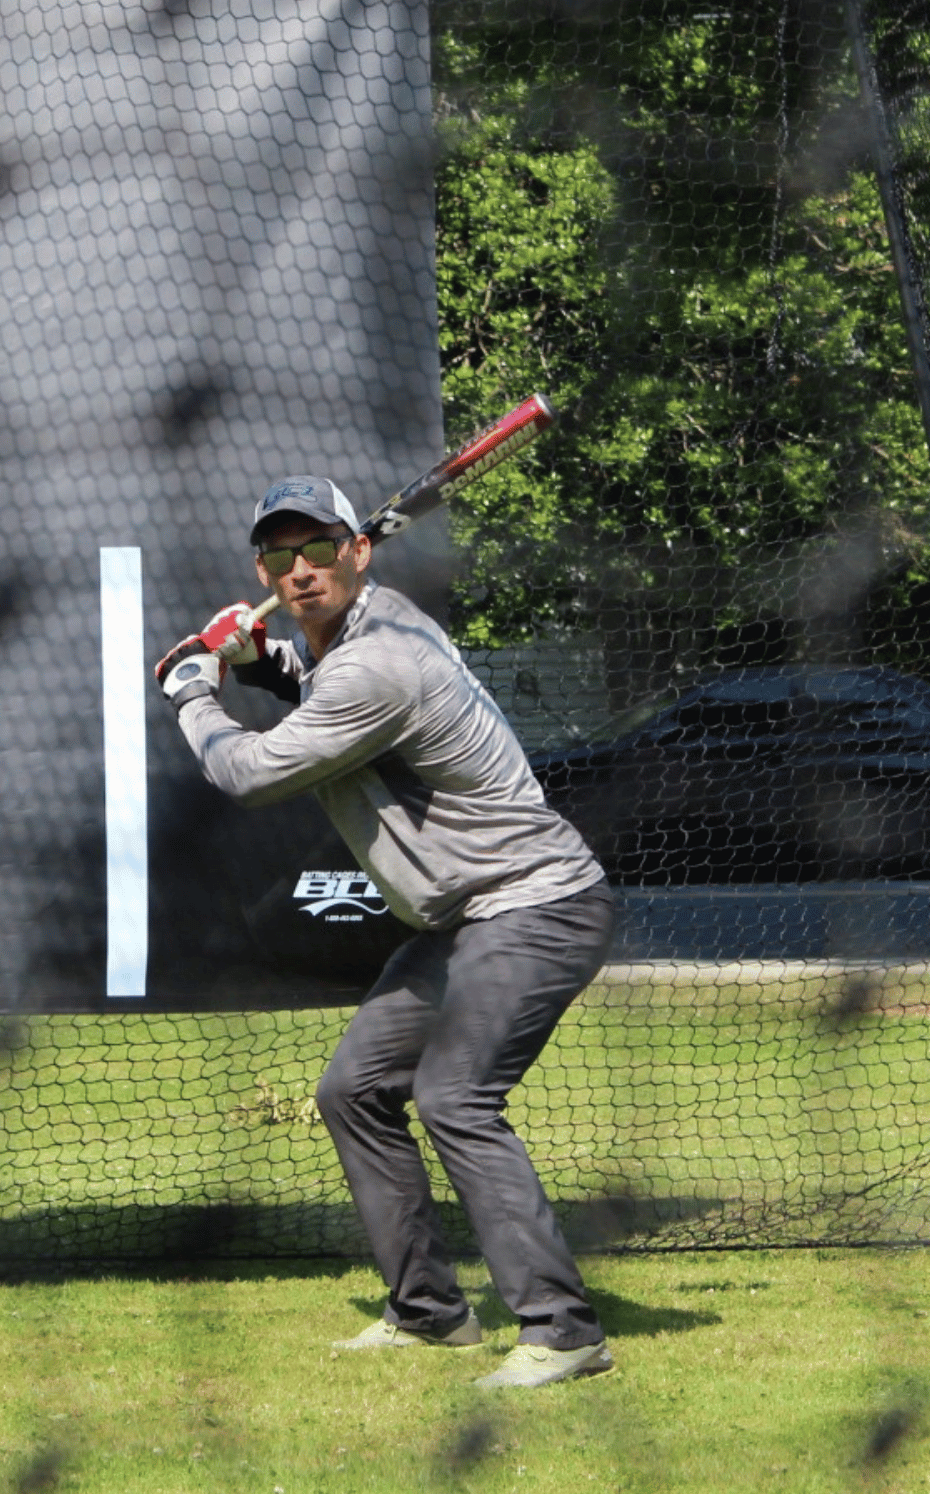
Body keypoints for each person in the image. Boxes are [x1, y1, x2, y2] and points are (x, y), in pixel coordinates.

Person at [154, 474, 620, 1390]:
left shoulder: (380, 661)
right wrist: (257, 664)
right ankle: (430, 1316)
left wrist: (192, 692)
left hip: (536, 903)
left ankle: (564, 1334)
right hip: (464, 919)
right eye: (279, 558)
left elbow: (248, 774)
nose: (300, 572)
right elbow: (318, 683)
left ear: (358, 549)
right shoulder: (373, 629)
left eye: (319, 548)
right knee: (354, 1089)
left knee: (455, 1097)